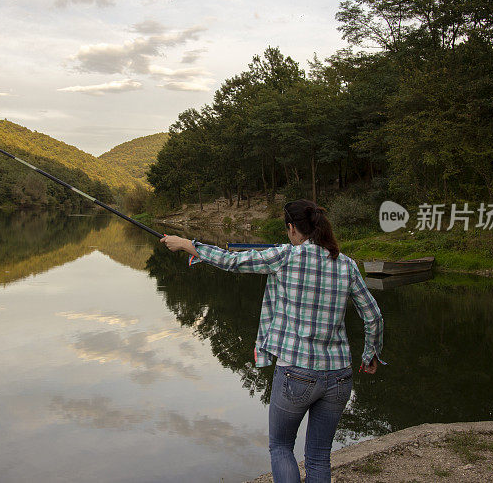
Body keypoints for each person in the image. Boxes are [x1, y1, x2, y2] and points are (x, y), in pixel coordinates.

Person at [160, 199, 384, 483]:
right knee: (318, 457)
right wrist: (370, 355)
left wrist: (186, 244)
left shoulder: (285, 256)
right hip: (339, 376)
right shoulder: (347, 265)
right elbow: (374, 316)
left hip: (296, 373)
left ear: (292, 229)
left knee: (281, 448)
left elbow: (231, 261)